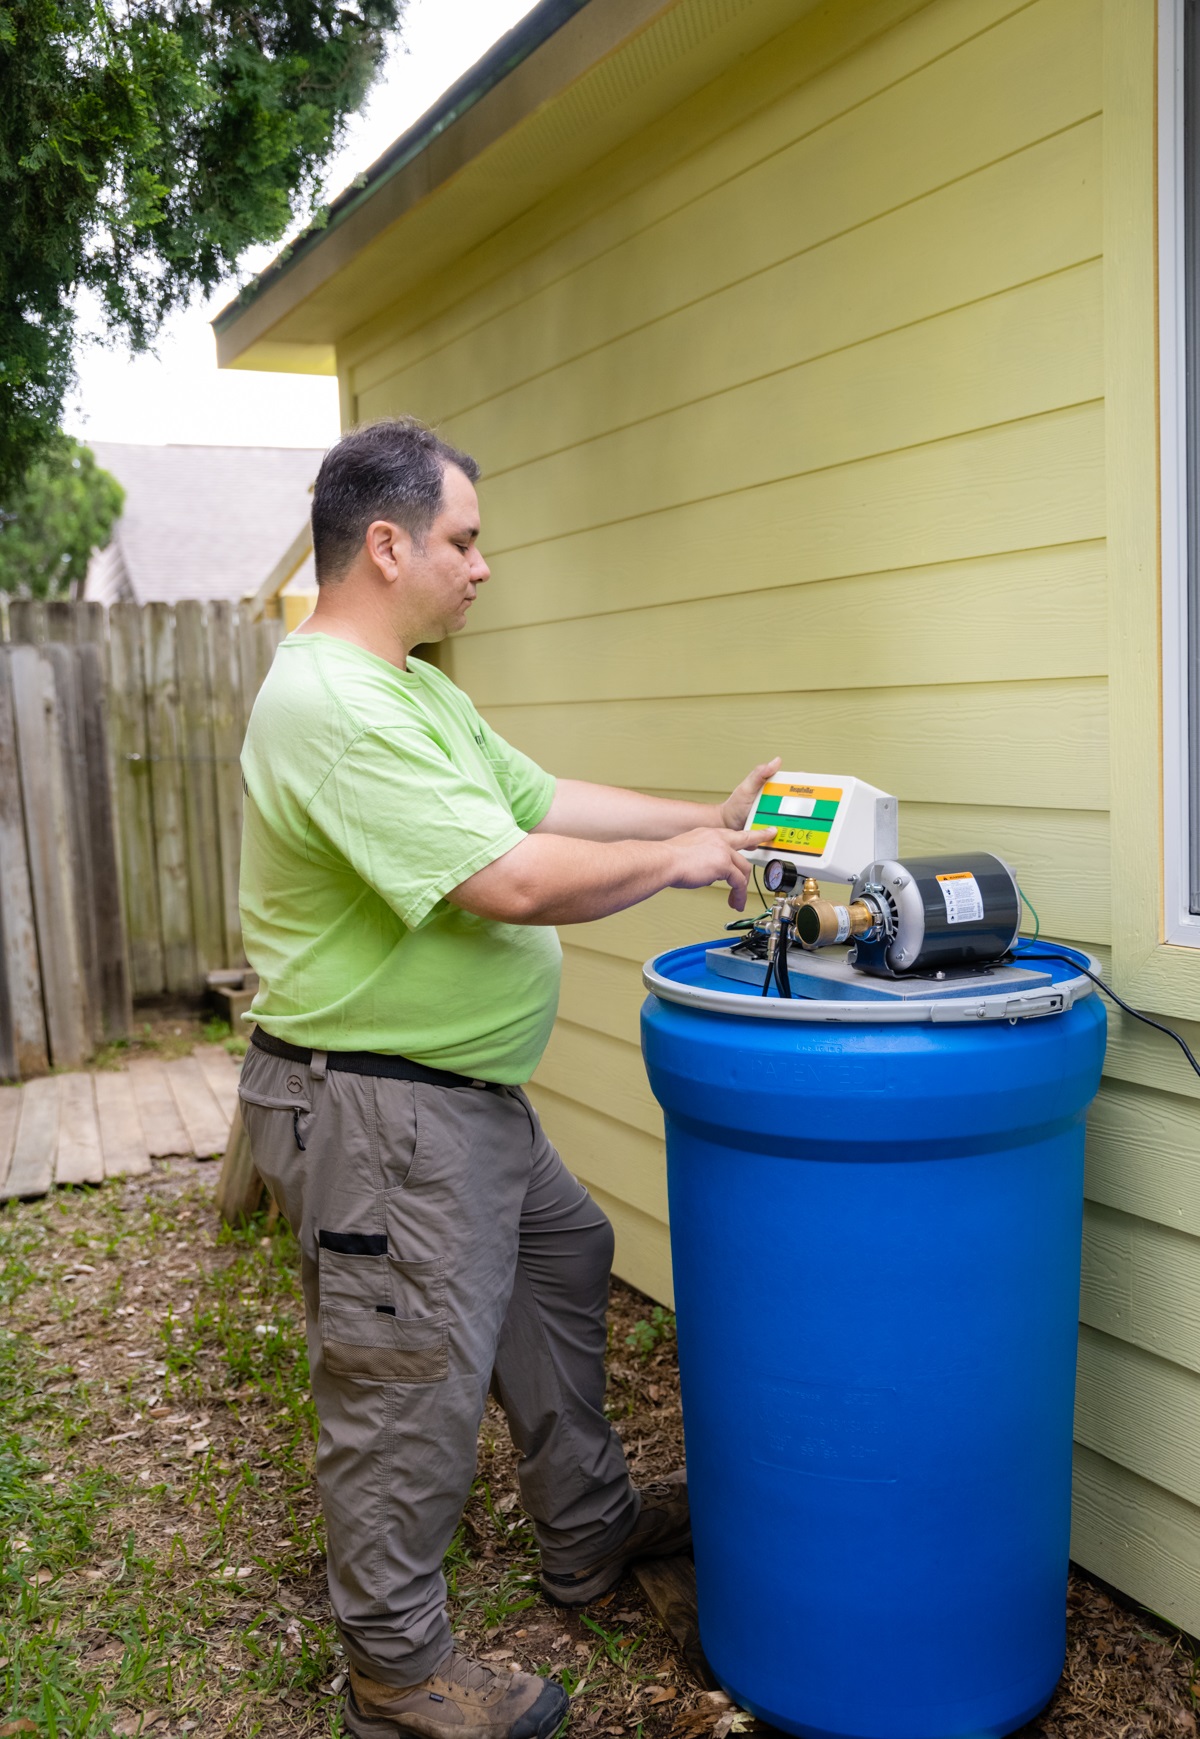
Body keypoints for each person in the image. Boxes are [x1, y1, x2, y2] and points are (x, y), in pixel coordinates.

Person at [237, 417, 777, 1739]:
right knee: (405, 1383)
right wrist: (681, 869)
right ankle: (399, 1674)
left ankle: (587, 1526)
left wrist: (705, 818)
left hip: (461, 1102)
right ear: (387, 543)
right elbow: (511, 879)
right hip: (382, 1113)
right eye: (464, 540)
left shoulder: (413, 686)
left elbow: (537, 803)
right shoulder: (333, 706)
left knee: (563, 1253)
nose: (482, 566)